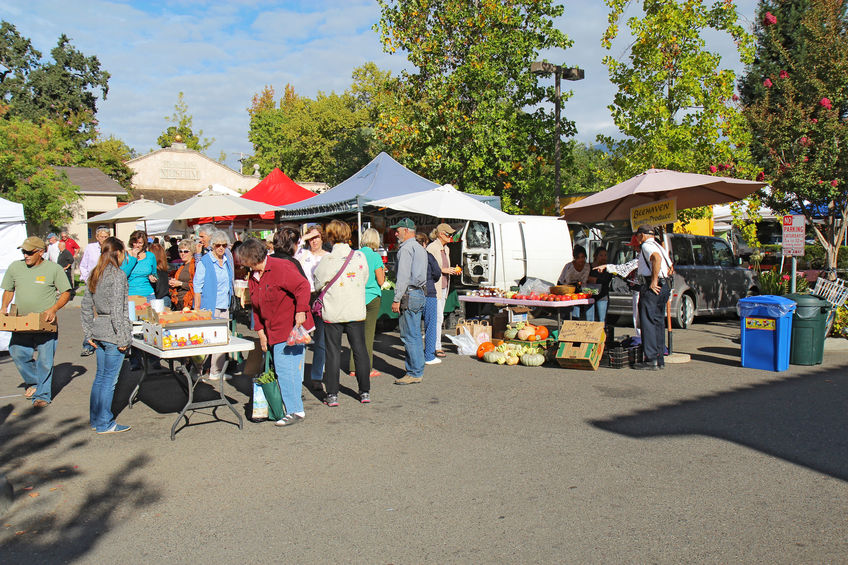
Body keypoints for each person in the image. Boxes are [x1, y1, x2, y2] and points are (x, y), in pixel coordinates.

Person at [237, 238, 313, 426]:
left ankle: (295, 410)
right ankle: (296, 408)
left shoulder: (281, 267)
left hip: (289, 326)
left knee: (285, 369)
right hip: (272, 328)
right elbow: (256, 307)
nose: (244, 265)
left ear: (252, 258)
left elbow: (303, 286)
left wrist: (301, 310)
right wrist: (261, 333)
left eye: (245, 260)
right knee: (290, 369)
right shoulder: (254, 276)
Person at [1, 236, 72, 407]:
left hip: (45, 323)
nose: (26, 255)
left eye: (29, 252)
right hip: (22, 322)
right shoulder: (15, 267)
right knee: (16, 352)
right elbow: (9, 289)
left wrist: (53, 309)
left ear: (41, 252)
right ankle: (35, 382)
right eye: (24, 251)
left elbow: (66, 292)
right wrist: (4, 307)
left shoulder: (53, 269)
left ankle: (42, 395)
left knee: (45, 361)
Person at [313, 219, 371, 406]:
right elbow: (364, 278)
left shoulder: (327, 259)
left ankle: (332, 394)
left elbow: (317, 284)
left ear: (330, 237)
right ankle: (364, 391)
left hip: (334, 310)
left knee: (332, 352)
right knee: (360, 350)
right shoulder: (359, 257)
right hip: (355, 309)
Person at [80, 237, 132, 434]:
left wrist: (88, 332)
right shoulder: (117, 275)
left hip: (99, 329)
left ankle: (96, 419)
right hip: (111, 332)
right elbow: (118, 310)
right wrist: (124, 338)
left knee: (101, 378)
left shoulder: (96, 273)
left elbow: (86, 306)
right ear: (118, 253)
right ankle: (104, 422)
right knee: (108, 380)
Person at [390, 218, 428, 385]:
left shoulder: (406, 249)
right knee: (416, 335)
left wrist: (396, 299)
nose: (395, 233)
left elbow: (403, 277)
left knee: (409, 336)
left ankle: (414, 372)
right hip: (419, 293)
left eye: (397, 230)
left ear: (406, 230)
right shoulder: (420, 248)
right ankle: (417, 370)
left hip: (409, 294)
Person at [193, 230, 234, 381]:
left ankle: (216, 371)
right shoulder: (205, 261)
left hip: (224, 305)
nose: (221, 248)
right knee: (204, 340)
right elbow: (197, 286)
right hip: (209, 306)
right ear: (212, 246)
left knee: (222, 339)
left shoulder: (227, 261)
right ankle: (196, 369)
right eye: (218, 245)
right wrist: (196, 309)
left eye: (224, 245)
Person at [633, 225, 673, 370]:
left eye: (637, 236)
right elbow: (670, 266)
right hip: (665, 286)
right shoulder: (660, 246)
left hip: (653, 286)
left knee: (648, 322)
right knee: (658, 322)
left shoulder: (646, 246)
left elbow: (656, 259)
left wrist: (654, 280)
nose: (637, 239)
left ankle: (650, 359)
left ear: (642, 235)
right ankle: (659, 357)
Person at [295, 226, 329, 387]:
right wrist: (306, 236)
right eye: (311, 238)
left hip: (321, 297)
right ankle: (298, 376)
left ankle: (317, 376)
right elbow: (294, 249)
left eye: (317, 237)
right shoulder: (303, 254)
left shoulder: (328, 257)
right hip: (304, 297)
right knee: (301, 337)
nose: (314, 241)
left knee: (321, 339)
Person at [426, 223, 458, 359]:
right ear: (440, 234)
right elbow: (430, 268)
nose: (450, 236)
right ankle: (436, 346)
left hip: (445, 285)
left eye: (451, 234)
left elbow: (444, 266)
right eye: (448, 234)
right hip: (435, 287)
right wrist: (445, 270)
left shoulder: (446, 249)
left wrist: (452, 270)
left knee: (440, 317)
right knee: (437, 318)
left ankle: (435, 345)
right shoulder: (432, 248)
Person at [358, 228, 385, 378]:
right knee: (368, 334)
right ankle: (366, 368)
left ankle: (353, 366)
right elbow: (380, 281)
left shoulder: (355, 255)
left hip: (357, 296)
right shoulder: (375, 257)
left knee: (356, 333)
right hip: (372, 296)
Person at [417, 232, 443, 366]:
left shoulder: (409, 256)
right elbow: (437, 272)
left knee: (414, 327)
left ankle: (414, 356)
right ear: (424, 243)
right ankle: (429, 356)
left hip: (413, 293)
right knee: (431, 325)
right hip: (430, 292)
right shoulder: (428, 256)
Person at [558, 244, 594, 321]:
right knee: (567, 313)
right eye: (578, 258)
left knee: (577, 312)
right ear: (575, 258)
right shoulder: (569, 266)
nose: (581, 260)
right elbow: (564, 282)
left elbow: (584, 281)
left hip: (579, 290)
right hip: (566, 289)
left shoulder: (587, 266)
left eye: (583, 257)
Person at [122, 230, 158, 300]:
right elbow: (123, 274)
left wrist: (154, 278)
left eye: (140, 243)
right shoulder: (125, 255)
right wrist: (134, 258)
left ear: (144, 243)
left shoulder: (150, 256)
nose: (137, 246)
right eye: (135, 243)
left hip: (148, 294)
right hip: (130, 294)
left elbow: (155, 273)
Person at [588, 247, 613, 325]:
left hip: (602, 296)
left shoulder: (608, 268)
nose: (603, 257)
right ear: (595, 256)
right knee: (589, 320)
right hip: (589, 295)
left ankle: (601, 336)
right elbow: (584, 278)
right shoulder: (589, 267)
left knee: (601, 320)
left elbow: (605, 281)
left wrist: (593, 279)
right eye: (601, 255)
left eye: (605, 255)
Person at [169, 239, 196, 310]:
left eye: (186, 251)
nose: (182, 253)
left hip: (189, 303)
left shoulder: (194, 265)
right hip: (179, 302)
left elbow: (196, 286)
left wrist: (180, 284)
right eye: (180, 251)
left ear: (192, 252)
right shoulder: (182, 266)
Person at [148, 243, 172, 308]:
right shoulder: (164, 270)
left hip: (158, 301)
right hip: (166, 298)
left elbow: (156, 289)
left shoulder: (153, 272)